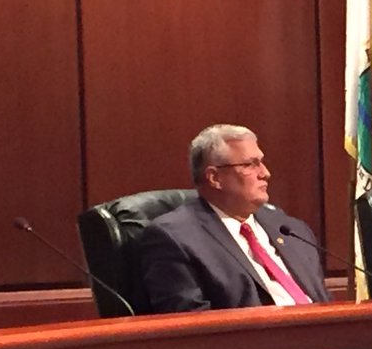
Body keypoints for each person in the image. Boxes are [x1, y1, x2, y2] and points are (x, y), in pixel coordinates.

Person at [138, 124, 331, 312]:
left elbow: (324, 302)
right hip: (256, 332)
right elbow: (192, 323)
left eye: (261, 162)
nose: (265, 173)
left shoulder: (291, 229)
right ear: (215, 178)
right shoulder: (175, 238)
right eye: (250, 164)